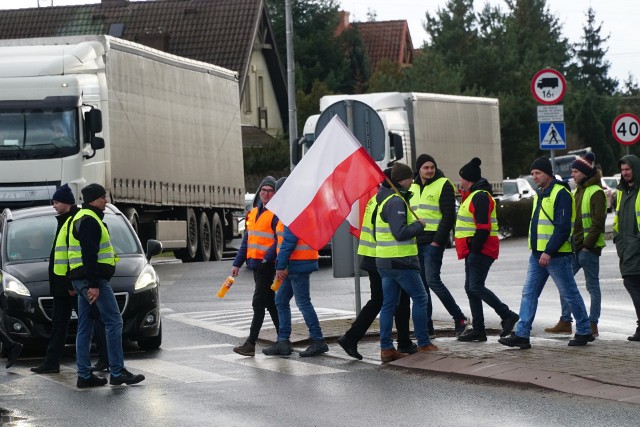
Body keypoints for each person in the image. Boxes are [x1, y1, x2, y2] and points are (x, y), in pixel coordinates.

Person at [499, 157, 594, 349]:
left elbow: (562, 227)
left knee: (569, 294)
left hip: (556, 256)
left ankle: (584, 330)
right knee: (529, 293)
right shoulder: (540, 194)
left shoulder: (561, 193)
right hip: (537, 255)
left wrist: (548, 251)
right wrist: (538, 251)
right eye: (532, 173)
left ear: (548, 173)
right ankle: (522, 334)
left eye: (538, 173)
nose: (534, 177)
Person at [68, 183, 145, 387]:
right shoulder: (90, 221)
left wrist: (74, 282)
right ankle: (118, 372)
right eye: (103, 198)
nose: (106, 201)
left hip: (81, 279)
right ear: (93, 200)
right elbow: (89, 255)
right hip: (92, 280)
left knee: (84, 326)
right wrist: (93, 284)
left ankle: (84, 375)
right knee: (114, 322)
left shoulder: (80, 218)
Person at [338, 169, 414, 360]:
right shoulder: (391, 200)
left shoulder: (375, 198)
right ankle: (401, 342)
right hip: (384, 256)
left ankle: (352, 338)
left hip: (373, 255)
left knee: (381, 300)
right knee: (396, 300)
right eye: (408, 178)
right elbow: (396, 230)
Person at [375, 162, 437, 363]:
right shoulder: (395, 201)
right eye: (410, 178)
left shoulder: (384, 199)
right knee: (420, 298)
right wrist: (418, 226)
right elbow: (399, 233)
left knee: (388, 305)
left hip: (385, 260)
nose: (412, 181)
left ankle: (386, 348)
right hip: (401, 261)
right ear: (404, 179)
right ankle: (424, 342)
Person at [454, 158, 519, 343]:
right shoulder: (474, 195)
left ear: (469, 179)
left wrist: (474, 249)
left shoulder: (480, 196)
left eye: (461, 179)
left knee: (475, 287)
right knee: (471, 288)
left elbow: (483, 227)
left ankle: (507, 315)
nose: (460, 182)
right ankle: (479, 330)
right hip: (474, 249)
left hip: (480, 249)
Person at [262, 178, 329, 357]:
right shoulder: (296, 207)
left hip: (297, 264)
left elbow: (289, 241)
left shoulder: (293, 210)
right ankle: (283, 341)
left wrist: (280, 266)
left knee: (302, 302)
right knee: (281, 301)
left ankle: (318, 339)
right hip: (294, 263)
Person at [544, 153, 605, 337]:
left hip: (588, 248)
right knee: (566, 284)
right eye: (572, 171)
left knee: (592, 286)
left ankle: (592, 323)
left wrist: (587, 245)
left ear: (585, 173)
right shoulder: (579, 190)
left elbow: (597, 222)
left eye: (576, 171)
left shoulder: (596, 192)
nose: (573, 175)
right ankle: (565, 321)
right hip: (576, 247)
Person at [410, 154, 468, 338]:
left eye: (432, 167)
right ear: (418, 169)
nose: (429, 170)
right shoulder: (411, 186)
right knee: (421, 287)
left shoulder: (443, 184)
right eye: (426, 167)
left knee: (433, 281)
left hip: (432, 243)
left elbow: (449, 216)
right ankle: (427, 328)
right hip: (414, 243)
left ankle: (459, 318)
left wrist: (438, 241)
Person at [230, 176, 280, 356]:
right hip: (256, 265)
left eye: (270, 191)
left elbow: (278, 239)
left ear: (275, 194)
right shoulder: (253, 214)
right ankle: (283, 340)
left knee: (259, 302)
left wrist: (268, 257)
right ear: (260, 192)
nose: (266, 194)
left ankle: (250, 343)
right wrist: (237, 263)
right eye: (264, 190)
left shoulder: (276, 214)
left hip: (267, 265)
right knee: (270, 302)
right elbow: (246, 241)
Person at [613, 155, 640, 341]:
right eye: (622, 170)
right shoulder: (622, 191)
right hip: (626, 248)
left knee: (631, 283)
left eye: (628, 169)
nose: (625, 173)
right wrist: (618, 240)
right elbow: (617, 221)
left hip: (636, 247)